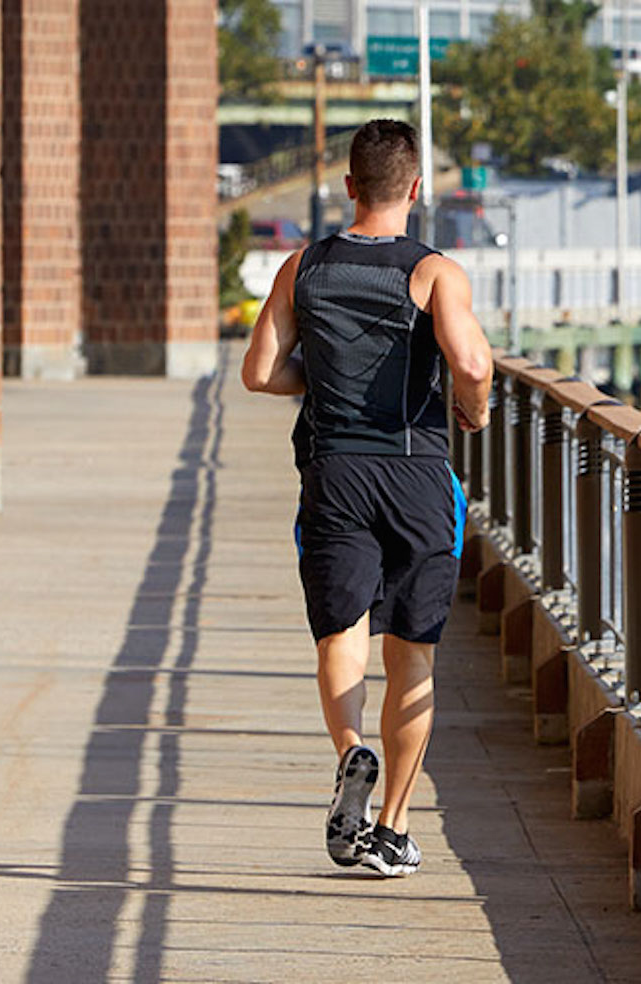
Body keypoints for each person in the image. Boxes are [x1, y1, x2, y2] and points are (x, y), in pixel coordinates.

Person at [241, 119, 493, 877]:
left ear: (350, 186)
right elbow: (472, 362)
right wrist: (471, 410)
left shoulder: (303, 267)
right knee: (412, 652)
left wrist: (318, 380)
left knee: (340, 630)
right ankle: (390, 828)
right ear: (416, 189)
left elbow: (259, 372)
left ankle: (353, 752)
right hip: (418, 475)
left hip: (333, 470)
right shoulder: (436, 273)